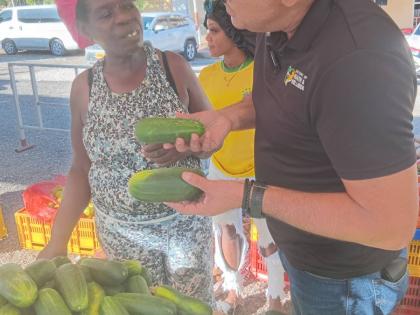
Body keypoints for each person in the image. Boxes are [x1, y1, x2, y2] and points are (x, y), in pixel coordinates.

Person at [163, 0, 419, 314]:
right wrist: (227, 118)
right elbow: (288, 99)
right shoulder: (273, 24)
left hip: (346, 282)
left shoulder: (358, 60)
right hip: (305, 259)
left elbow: (390, 224)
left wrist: (246, 195)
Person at [38, 0, 215, 304]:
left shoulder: (174, 67)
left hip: (186, 230)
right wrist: (58, 241)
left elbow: (213, 133)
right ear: (85, 29)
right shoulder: (84, 88)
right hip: (123, 238)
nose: (122, 17)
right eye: (106, 13)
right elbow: (81, 168)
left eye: (125, 5)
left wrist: (186, 144)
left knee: (193, 308)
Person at [200, 1, 288, 313]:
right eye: (206, 31)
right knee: (226, 229)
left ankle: (274, 296)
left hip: (260, 167)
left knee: (268, 237)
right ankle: (232, 288)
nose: (207, 38)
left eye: (213, 31)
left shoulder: (261, 71)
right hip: (220, 167)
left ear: (235, 32)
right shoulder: (205, 77)